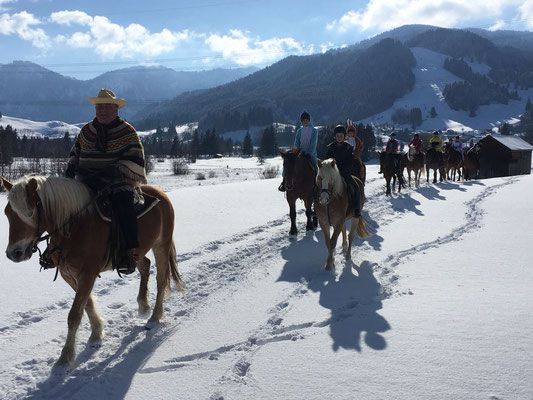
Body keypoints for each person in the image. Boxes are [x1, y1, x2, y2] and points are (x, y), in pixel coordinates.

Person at [65, 88, 147, 275]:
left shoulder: (127, 132)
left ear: (115, 108)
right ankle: (58, 250)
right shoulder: (86, 131)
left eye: (106, 107)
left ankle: (128, 252)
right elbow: (75, 152)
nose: (102, 110)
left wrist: (118, 169)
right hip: (86, 180)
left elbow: (136, 158)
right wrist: (71, 167)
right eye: (99, 107)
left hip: (116, 182)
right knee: (64, 207)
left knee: (123, 206)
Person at [326, 125, 361, 217]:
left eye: (341, 136)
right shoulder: (330, 147)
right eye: (337, 136)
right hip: (332, 174)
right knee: (320, 186)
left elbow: (350, 162)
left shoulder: (348, 147)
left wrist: (343, 171)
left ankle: (356, 208)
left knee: (355, 187)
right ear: (335, 136)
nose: (339, 137)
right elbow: (327, 160)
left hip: (344, 173)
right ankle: (317, 208)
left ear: (344, 136)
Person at [278, 111, 318, 191]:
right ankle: (283, 182)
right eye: (303, 120)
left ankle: (316, 185)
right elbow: (296, 142)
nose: (305, 122)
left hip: (310, 154)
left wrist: (309, 153)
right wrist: (296, 151)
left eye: (306, 120)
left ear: (309, 120)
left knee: (315, 167)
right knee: (288, 165)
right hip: (299, 153)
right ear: (301, 121)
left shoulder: (314, 131)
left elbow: (313, 143)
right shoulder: (299, 131)